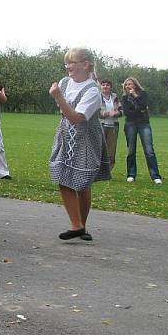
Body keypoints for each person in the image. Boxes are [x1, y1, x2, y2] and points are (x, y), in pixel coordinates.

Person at [48, 48, 111, 241]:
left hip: (86, 139)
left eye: (72, 62)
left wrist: (59, 97)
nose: (68, 66)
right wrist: (60, 96)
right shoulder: (65, 83)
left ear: (86, 64)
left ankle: (81, 225)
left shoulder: (93, 90)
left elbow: (77, 118)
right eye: (66, 63)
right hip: (66, 135)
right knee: (62, 175)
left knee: (82, 183)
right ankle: (77, 225)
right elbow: (65, 114)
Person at [121, 76, 162, 184]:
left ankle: (155, 176)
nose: (128, 86)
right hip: (130, 124)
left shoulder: (143, 94)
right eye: (126, 84)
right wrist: (141, 110)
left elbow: (144, 105)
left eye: (130, 84)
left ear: (135, 85)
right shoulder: (124, 98)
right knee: (131, 150)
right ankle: (131, 174)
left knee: (149, 150)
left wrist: (135, 96)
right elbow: (127, 112)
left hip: (144, 124)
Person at [98, 78, 122, 169]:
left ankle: (108, 170)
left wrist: (117, 113)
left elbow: (121, 110)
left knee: (111, 150)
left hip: (113, 127)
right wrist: (107, 113)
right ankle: (97, 170)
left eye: (107, 85)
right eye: (103, 84)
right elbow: (96, 112)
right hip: (101, 125)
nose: (105, 86)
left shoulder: (115, 97)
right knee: (100, 148)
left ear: (110, 87)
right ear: (100, 86)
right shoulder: (97, 96)